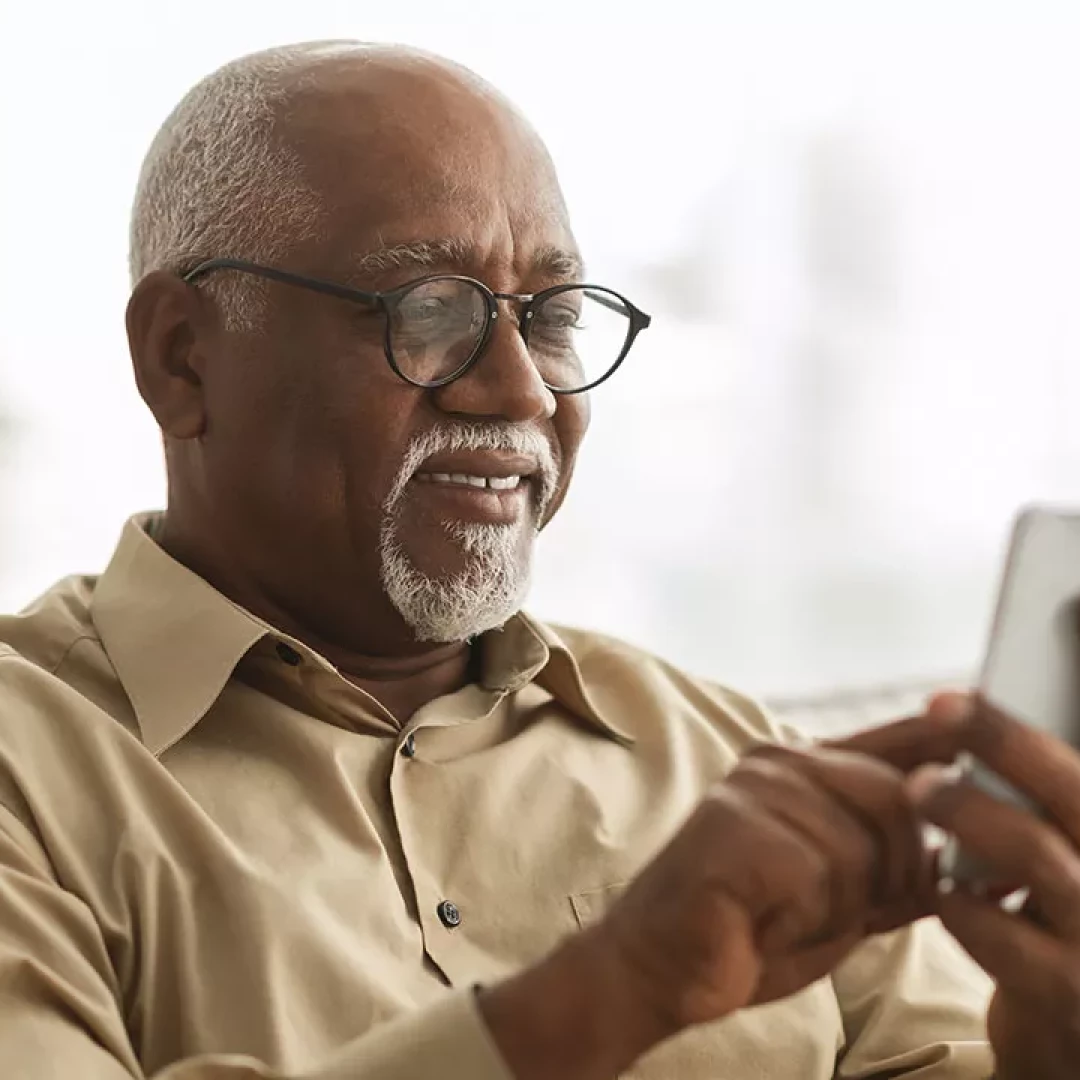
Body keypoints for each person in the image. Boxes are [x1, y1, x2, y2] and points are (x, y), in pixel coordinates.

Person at [0, 39, 1072, 1080]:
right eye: (429, 310)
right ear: (182, 357)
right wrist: (614, 989)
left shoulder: (737, 764)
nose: (522, 393)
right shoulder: (32, 770)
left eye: (551, 318)